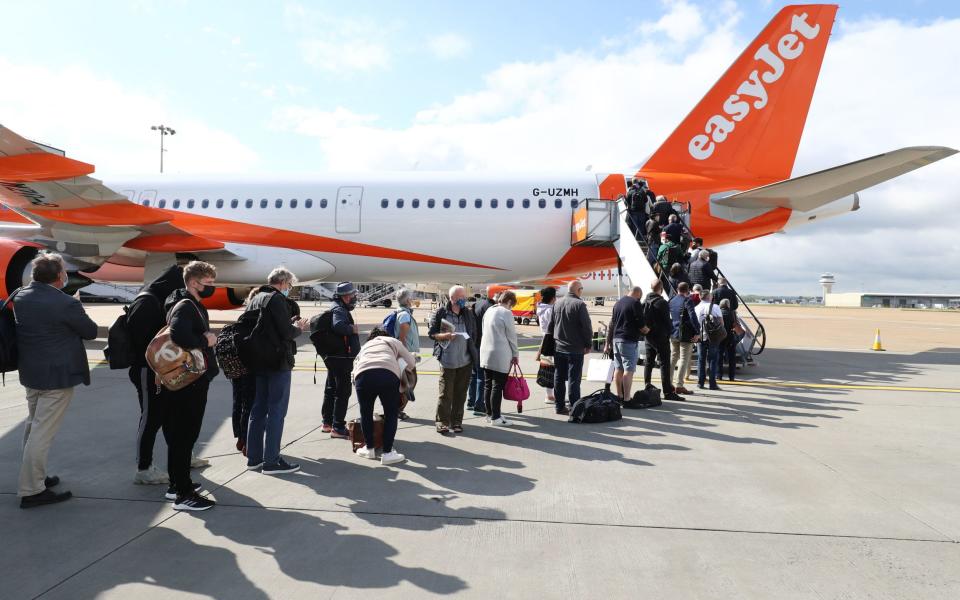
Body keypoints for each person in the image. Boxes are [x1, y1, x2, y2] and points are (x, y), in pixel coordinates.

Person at [14, 253, 98, 508]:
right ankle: (31, 489)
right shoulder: (64, 303)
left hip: (32, 372)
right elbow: (90, 332)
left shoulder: (20, 296)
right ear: (59, 277)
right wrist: (76, 304)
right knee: (42, 432)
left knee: (33, 425)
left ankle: (35, 476)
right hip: (56, 376)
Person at [162, 260, 220, 511]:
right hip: (190, 382)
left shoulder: (183, 303)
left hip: (188, 380)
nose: (212, 287)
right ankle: (183, 494)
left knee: (181, 436)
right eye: (208, 283)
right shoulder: (186, 306)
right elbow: (179, 335)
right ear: (194, 283)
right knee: (185, 436)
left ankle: (178, 483)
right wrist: (205, 340)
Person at [244, 268, 309, 475]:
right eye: (289, 286)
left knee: (258, 409)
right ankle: (271, 460)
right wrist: (299, 327)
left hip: (257, 359)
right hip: (277, 360)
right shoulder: (275, 299)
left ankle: (254, 458)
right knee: (277, 411)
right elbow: (286, 331)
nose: (289, 290)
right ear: (282, 282)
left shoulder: (256, 298)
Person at [126, 265, 184, 485]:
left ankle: (179, 456)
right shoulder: (147, 302)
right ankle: (144, 467)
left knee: (169, 416)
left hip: (159, 369)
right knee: (150, 418)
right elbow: (144, 341)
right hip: (147, 369)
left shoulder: (156, 300)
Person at [353, 328, 417, 465]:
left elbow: (354, 367)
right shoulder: (391, 340)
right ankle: (387, 453)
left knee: (366, 413)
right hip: (387, 374)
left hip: (362, 376)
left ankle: (369, 448)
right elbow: (411, 362)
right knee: (390, 413)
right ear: (385, 335)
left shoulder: (365, 346)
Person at [428, 285, 478, 434]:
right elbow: (432, 334)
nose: (464, 300)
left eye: (464, 297)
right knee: (445, 394)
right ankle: (442, 422)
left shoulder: (467, 313)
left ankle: (456, 422)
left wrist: (471, 347)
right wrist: (444, 336)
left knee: (461, 394)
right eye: (460, 298)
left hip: (465, 361)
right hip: (448, 361)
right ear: (452, 298)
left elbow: (474, 332)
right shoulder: (441, 312)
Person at [322, 282, 361, 439]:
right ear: (345, 296)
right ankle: (338, 426)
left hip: (334, 357)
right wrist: (352, 329)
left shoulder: (335, 307)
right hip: (341, 358)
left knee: (331, 389)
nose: (354, 298)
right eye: (353, 296)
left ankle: (327, 422)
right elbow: (338, 326)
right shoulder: (339, 309)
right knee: (343, 391)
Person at [548, 280, 592, 415]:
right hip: (575, 348)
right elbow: (586, 327)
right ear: (578, 290)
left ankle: (559, 406)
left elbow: (551, 325)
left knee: (559, 378)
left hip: (559, 347)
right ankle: (574, 408)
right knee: (574, 379)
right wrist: (588, 344)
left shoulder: (557, 303)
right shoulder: (579, 304)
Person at [480, 291, 520, 426]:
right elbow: (511, 336)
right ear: (509, 302)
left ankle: (490, 414)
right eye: (512, 305)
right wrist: (515, 354)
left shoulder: (489, 310)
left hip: (486, 352)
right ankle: (496, 417)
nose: (511, 308)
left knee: (488, 385)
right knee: (497, 386)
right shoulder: (506, 313)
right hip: (500, 354)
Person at [603, 286, 647, 402]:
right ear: (638, 294)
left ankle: (620, 396)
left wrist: (607, 343)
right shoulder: (635, 303)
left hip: (616, 340)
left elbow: (612, 324)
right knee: (629, 370)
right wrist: (648, 330)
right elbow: (642, 325)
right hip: (628, 340)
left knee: (618, 369)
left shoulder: (618, 303)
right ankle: (627, 398)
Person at [642, 280, 683, 401]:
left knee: (649, 362)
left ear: (651, 287)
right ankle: (667, 392)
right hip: (661, 337)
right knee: (664, 364)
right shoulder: (662, 302)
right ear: (660, 289)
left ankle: (647, 386)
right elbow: (667, 321)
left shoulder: (645, 301)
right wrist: (670, 332)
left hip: (649, 337)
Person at [668, 282, 700, 396]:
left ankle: (668, 383)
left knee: (673, 358)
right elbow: (692, 316)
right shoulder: (687, 300)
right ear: (688, 290)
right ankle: (679, 386)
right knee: (683, 359)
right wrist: (697, 331)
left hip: (674, 333)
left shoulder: (671, 300)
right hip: (685, 334)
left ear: (677, 289)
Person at [394, 287, 420, 420]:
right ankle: (397, 410)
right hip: (406, 356)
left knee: (407, 384)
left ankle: (397, 409)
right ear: (408, 300)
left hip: (407, 355)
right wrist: (406, 357)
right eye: (411, 297)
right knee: (408, 384)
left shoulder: (404, 313)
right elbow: (402, 337)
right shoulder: (404, 315)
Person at [467, 289, 493, 415]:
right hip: (482, 345)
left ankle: (471, 402)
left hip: (473, 343)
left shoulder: (478, 303)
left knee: (473, 375)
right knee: (481, 376)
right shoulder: (489, 307)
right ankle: (479, 405)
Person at [694, 290, 724, 391]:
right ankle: (712, 384)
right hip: (713, 337)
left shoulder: (696, 308)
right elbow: (721, 322)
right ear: (708, 297)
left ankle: (700, 382)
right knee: (713, 359)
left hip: (700, 337)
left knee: (701, 359)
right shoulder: (714, 307)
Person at [533, 286, 557, 405]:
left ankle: (550, 395)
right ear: (553, 298)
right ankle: (551, 396)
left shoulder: (541, 308)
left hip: (544, 339)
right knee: (553, 368)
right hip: (551, 340)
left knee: (547, 368)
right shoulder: (550, 310)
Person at [718, 298, 738, 382]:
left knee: (719, 357)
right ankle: (731, 377)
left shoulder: (718, 312)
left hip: (720, 337)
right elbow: (735, 325)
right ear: (728, 305)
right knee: (732, 358)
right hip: (730, 337)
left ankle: (719, 375)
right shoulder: (733, 313)